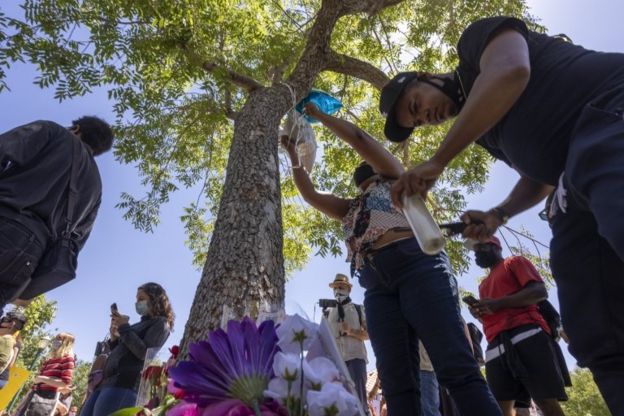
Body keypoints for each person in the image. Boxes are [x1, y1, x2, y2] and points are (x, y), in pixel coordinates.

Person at [379, 15, 624, 413]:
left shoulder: (475, 47)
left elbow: (512, 70)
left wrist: (439, 160)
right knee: (594, 325)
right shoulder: (488, 134)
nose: (426, 117)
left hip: (610, 110)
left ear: (425, 76)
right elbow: (538, 178)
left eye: (416, 105)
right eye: (419, 120)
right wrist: (498, 214)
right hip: (569, 185)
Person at [282, 102, 500, 416]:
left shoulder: (397, 179)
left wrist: (317, 116)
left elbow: (360, 137)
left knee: (455, 367)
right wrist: (293, 155)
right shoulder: (352, 208)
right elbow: (310, 195)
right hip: (376, 285)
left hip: (418, 266)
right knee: (397, 383)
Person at [0, 117, 114, 311]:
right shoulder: (96, 187)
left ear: (76, 128)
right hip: (29, 257)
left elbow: (3, 148)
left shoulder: (51, 131)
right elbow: (75, 243)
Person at [468, 236, 568, 416]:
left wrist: (498, 303)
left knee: (545, 400)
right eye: (474, 251)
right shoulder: (483, 285)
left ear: (495, 247)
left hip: (526, 333)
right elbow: (494, 311)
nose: (476, 254)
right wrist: (481, 313)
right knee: (501, 409)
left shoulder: (514, 262)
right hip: (495, 344)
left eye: (480, 248)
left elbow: (539, 292)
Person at [80, 282, 174, 416]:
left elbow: (144, 353)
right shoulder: (138, 324)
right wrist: (114, 338)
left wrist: (124, 328)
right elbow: (123, 351)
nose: (137, 303)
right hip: (105, 383)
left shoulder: (161, 324)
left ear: (155, 300)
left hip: (123, 385)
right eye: (136, 299)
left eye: (141, 299)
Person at [325, 273, 369, 412]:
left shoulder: (358, 309)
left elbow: (369, 334)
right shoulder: (327, 312)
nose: (337, 290)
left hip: (356, 360)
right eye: (335, 287)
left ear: (349, 289)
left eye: (341, 287)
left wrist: (351, 331)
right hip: (336, 363)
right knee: (338, 404)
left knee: (359, 401)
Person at [18, 332, 76, 416]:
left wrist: (42, 379)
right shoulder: (50, 359)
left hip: (46, 397)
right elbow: (37, 382)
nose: (55, 340)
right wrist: (23, 401)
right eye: (56, 338)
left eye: (59, 338)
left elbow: (65, 382)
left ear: (66, 342)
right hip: (34, 393)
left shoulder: (68, 359)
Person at [0, 310, 26, 382]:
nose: (2, 321)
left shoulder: (8, 341)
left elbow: (9, 365)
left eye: (5, 320)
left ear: (11, 324)